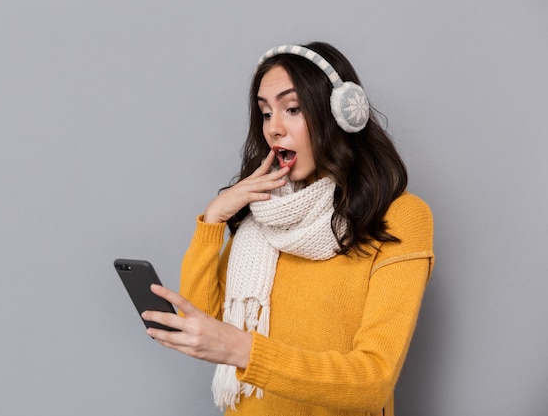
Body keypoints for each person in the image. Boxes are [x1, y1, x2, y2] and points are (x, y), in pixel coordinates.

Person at [141, 41, 435, 416]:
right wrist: (213, 221)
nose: (273, 129)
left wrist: (244, 350)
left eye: (291, 109)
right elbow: (206, 326)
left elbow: (372, 380)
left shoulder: (399, 217)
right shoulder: (265, 214)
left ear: (342, 115)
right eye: (265, 114)